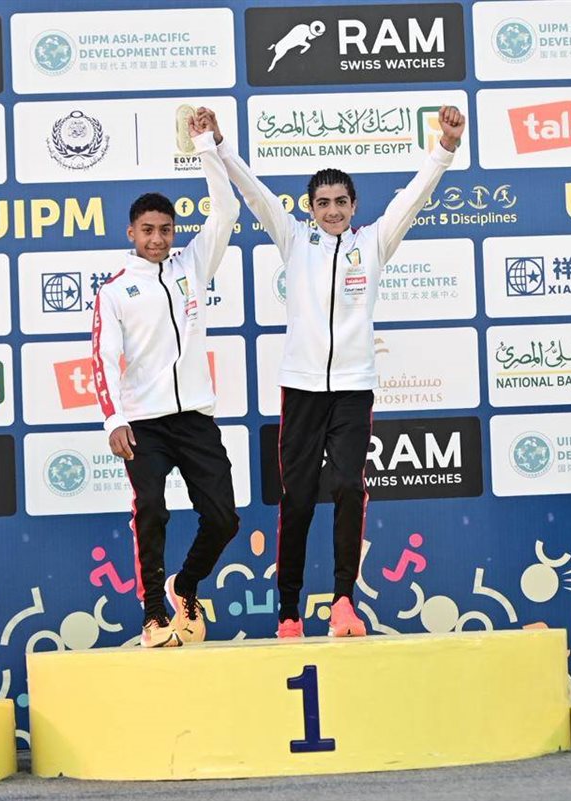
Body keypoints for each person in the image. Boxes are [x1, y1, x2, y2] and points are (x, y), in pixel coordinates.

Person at [210, 105, 465, 637]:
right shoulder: (294, 240)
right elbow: (255, 194)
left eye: (341, 202)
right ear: (310, 208)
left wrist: (444, 147)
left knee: (349, 487)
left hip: (353, 390)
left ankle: (344, 602)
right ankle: (288, 612)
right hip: (302, 389)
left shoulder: (373, 243)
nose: (332, 210)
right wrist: (218, 145)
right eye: (323, 202)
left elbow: (413, 198)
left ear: (354, 206)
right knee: (299, 499)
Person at [92, 108, 241, 648]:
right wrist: (114, 419)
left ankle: (186, 584)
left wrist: (205, 146)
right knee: (151, 512)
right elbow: (103, 357)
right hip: (145, 425)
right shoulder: (114, 291)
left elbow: (226, 210)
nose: (157, 239)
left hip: (195, 416)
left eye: (165, 230)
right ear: (131, 233)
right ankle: (154, 616)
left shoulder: (191, 266)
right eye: (148, 231)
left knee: (224, 519)